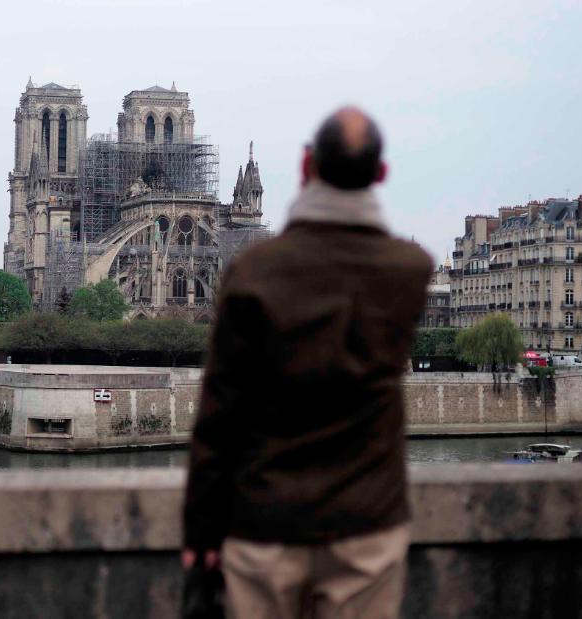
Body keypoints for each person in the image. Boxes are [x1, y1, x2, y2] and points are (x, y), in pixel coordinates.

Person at [183, 107, 433, 619]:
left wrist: (201, 531)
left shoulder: (253, 269)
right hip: (366, 526)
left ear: (305, 166)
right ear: (381, 174)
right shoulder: (411, 270)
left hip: (263, 524)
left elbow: (219, 417)